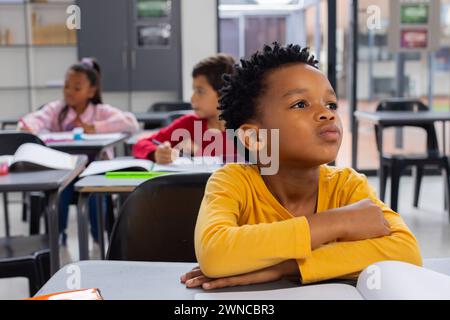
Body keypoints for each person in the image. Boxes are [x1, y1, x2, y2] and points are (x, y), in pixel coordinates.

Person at [181, 43, 422, 290]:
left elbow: (407, 252)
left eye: (331, 104)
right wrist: (339, 222)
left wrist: (286, 268)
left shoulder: (347, 185)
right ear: (254, 138)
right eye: (300, 104)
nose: (327, 114)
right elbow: (215, 254)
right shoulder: (232, 181)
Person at [18, 58, 139, 243]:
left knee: (93, 199)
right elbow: (32, 120)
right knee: (58, 193)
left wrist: (95, 127)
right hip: (65, 171)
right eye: (66, 86)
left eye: (77, 87)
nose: (69, 92)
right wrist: (28, 127)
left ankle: (100, 238)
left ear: (91, 91)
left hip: (94, 172)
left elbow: (131, 122)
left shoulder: (100, 111)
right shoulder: (57, 109)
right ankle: (57, 238)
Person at [132, 54, 237, 164]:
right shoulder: (188, 124)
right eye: (194, 90)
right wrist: (156, 153)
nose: (192, 98)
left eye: (200, 91)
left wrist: (199, 152)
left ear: (224, 94)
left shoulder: (245, 130)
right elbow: (140, 145)